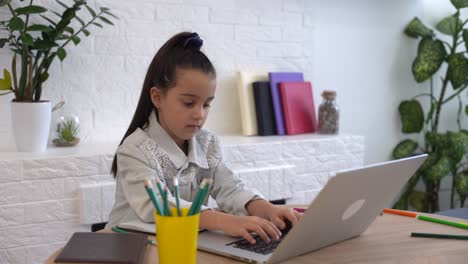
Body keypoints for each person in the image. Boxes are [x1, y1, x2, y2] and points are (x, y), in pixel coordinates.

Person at [106, 32, 302, 244]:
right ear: (157, 97)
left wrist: (266, 208)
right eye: (189, 103)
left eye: (207, 104)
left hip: (182, 241)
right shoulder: (135, 149)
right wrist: (221, 220)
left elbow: (230, 188)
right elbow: (157, 206)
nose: (200, 114)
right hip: (130, 245)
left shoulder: (208, 144)